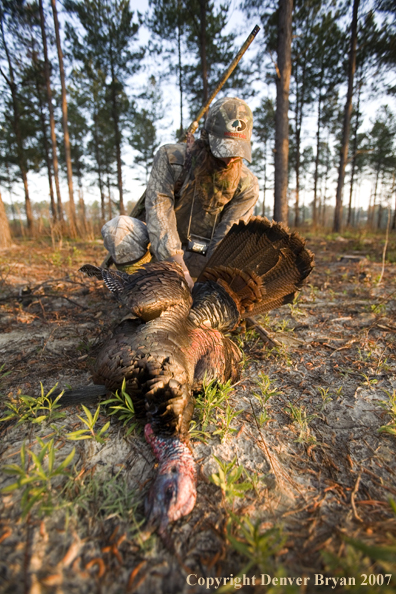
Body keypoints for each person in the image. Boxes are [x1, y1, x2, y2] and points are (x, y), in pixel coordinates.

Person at [102, 96, 259, 288]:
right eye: (223, 151)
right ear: (206, 138)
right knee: (118, 229)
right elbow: (160, 217)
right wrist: (180, 270)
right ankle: (140, 291)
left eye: (235, 153)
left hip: (203, 260)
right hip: (160, 254)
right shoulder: (171, 159)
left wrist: (212, 282)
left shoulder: (247, 185)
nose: (228, 161)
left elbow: (225, 240)